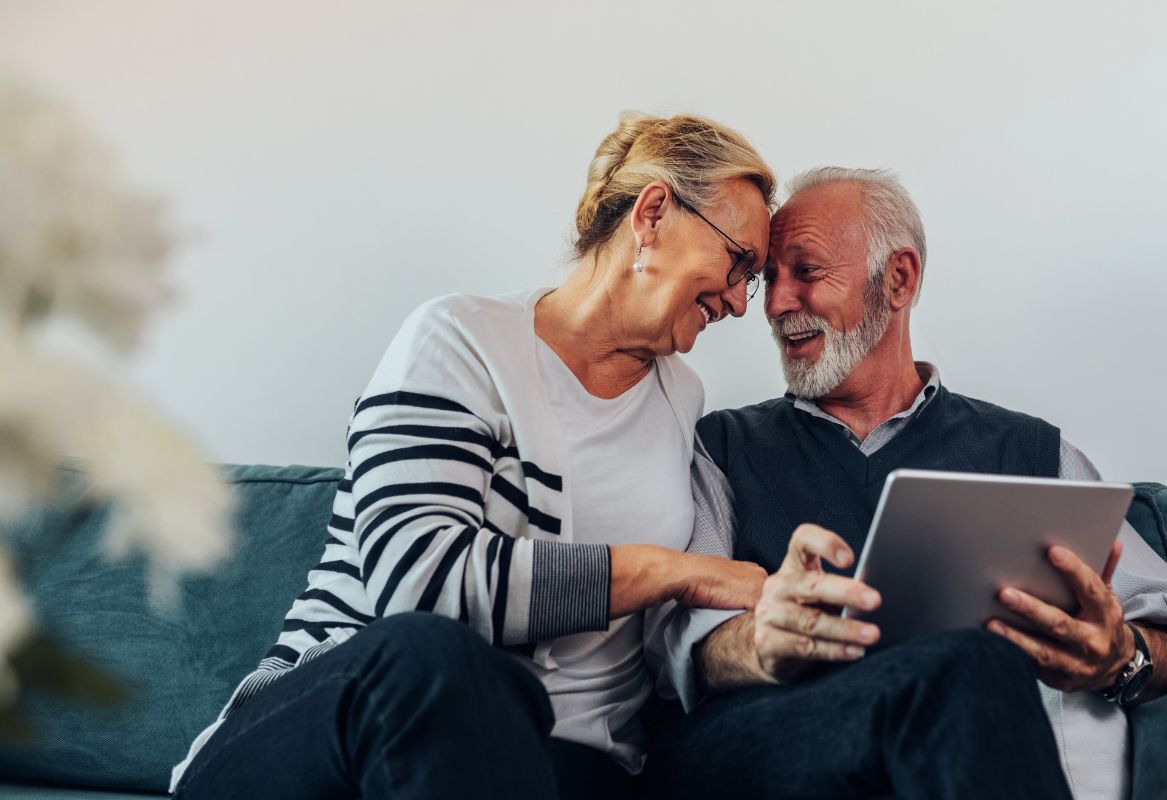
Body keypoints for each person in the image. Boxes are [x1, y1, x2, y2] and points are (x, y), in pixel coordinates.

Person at [169, 112, 776, 800]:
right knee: (433, 656)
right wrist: (666, 570)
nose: (737, 300)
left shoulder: (682, 405)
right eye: (738, 262)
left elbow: (685, 631)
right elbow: (418, 582)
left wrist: (769, 621)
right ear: (655, 211)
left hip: (565, 769)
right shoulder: (461, 342)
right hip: (343, 737)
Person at [642, 167, 1167, 800]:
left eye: (806, 272)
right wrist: (762, 637)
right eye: (771, 278)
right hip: (776, 745)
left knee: (969, 670)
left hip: (960, 754)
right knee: (969, 664)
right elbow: (680, 646)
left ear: (898, 279)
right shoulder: (720, 447)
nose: (775, 304)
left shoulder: (1031, 450)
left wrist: (1121, 658)